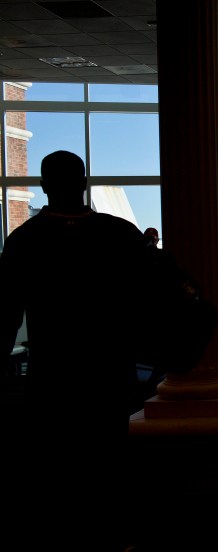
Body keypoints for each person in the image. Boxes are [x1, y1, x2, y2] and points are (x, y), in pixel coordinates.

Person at [0, 150, 163, 546]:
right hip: (109, 374)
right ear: (85, 183)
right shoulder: (120, 235)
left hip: (53, 376)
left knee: (58, 469)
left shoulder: (24, 241)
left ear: (43, 187)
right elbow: (152, 299)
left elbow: (6, 314)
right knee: (108, 462)